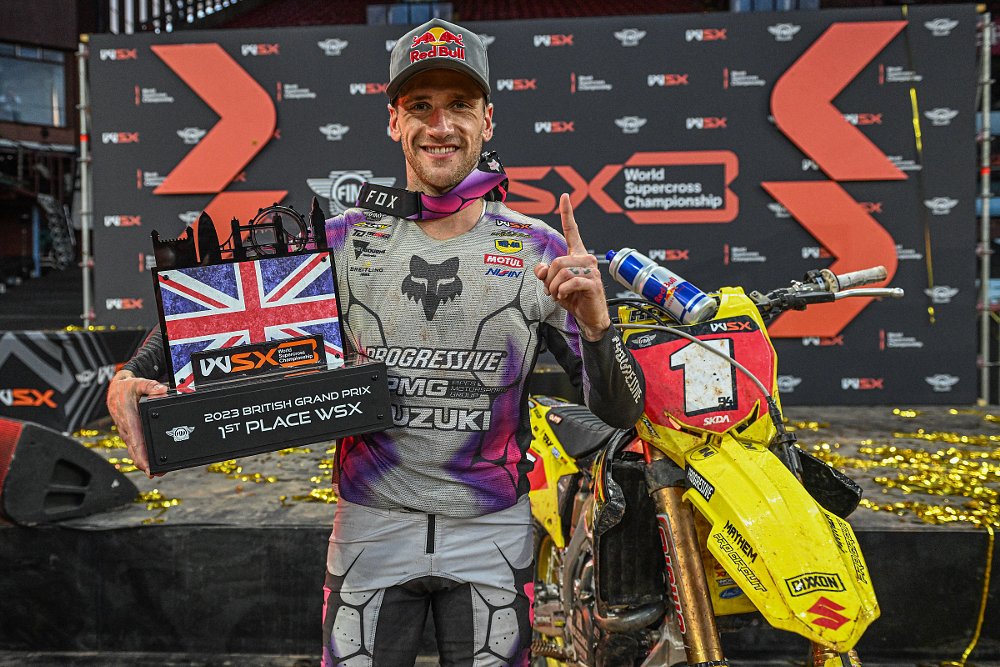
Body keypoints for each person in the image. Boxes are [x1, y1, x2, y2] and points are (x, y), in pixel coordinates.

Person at [107, 18, 645, 666]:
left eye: (459, 106)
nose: (440, 125)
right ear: (394, 121)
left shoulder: (539, 250)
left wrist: (595, 323)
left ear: (489, 120)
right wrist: (128, 376)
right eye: (420, 106)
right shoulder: (345, 239)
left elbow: (620, 412)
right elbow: (209, 317)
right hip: (370, 528)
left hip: (491, 535)